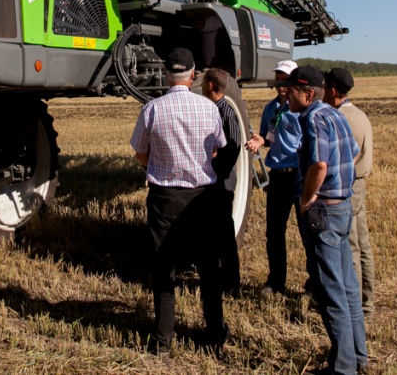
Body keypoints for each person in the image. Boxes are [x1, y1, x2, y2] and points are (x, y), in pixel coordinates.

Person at [130, 47, 231, 357]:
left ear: (165, 72)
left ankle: (162, 342)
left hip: (164, 198)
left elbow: (140, 152)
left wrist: (158, 166)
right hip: (202, 199)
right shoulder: (209, 108)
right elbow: (217, 149)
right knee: (209, 272)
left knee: (163, 271)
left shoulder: (152, 109)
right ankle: (214, 335)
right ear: (193, 73)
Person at [282, 65, 368, 375]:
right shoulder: (336, 115)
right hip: (343, 207)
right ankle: (358, 356)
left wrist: (307, 199)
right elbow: (354, 151)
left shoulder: (314, 118)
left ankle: (342, 368)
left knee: (330, 291)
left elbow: (319, 164)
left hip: (325, 213)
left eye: (291, 90)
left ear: (307, 93)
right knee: (347, 287)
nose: (286, 94)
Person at [245, 59, 303, 296]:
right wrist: (260, 141)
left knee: (307, 232)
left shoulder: (301, 109)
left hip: (299, 177)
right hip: (277, 177)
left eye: (286, 79)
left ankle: (313, 285)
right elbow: (268, 137)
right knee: (274, 233)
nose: (281, 84)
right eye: (279, 79)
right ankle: (275, 282)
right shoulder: (271, 109)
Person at [324, 68, 375, 322]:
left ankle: (354, 306)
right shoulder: (360, 114)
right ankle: (367, 303)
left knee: (351, 247)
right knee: (363, 245)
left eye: (324, 87)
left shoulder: (340, 118)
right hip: (361, 185)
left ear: (332, 90)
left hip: (348, 188)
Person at [201, 67, 243, 296]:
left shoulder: (225, 111)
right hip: (217, 178)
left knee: (225, 234)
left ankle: (232, 283)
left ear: (209, 86)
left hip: (222, 181)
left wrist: (218, 170)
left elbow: (234, 147)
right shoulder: (215, 109)